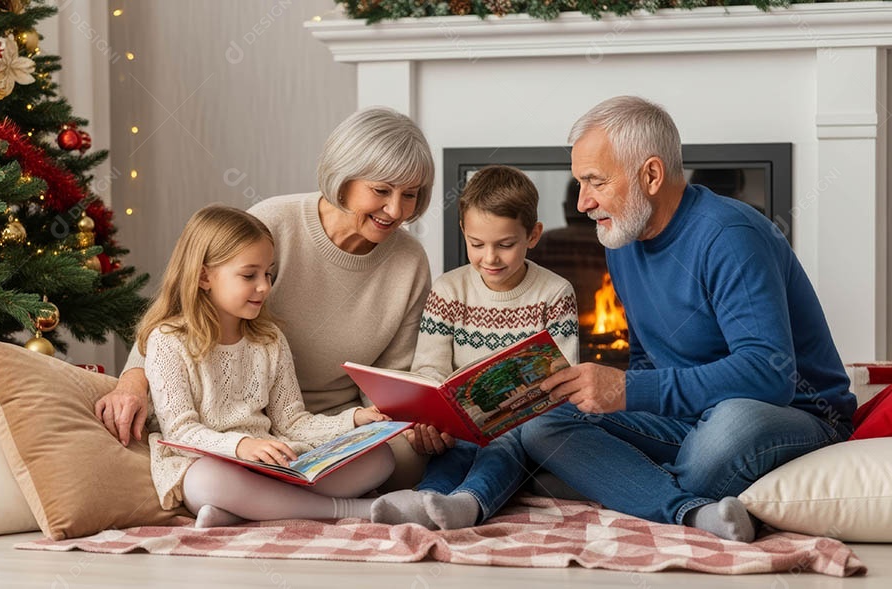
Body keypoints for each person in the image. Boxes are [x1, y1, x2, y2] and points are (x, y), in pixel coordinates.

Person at [520, 96, 856, 542]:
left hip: (792, 413)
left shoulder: (729, 235)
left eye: (595, 181)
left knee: (728, 430)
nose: (582, 203)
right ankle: (691, 511)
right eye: (579, 183)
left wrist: (626, 391)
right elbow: (645, 357)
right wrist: (618, 396)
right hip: (689, 420)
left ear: (651, 175)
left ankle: (626, 483)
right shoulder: (621, 239)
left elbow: (769, 373)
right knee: (542, 422)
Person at [96, 107, 437, 490]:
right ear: (344, 178)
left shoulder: (410, 261)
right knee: (216, 476)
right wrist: (131, 382)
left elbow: (389, 379)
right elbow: (182, 312)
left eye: (409, 195)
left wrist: (402, 422)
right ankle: (323, 504)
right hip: (235, 419)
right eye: (380, 191)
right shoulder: (274, 223)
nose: (395, 210)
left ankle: (283, 498)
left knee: (403, 460)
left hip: (329, 425)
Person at [138, 205, 394, 528]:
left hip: (273, 465)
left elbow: (292, 421)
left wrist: (352, 421)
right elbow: (181, 432)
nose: (264, 286)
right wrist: (241, 446)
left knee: (380, 457)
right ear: (204, 276)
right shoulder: (168, 341)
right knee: (206, 482)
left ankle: (239, 513)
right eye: (249, 275)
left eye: (268, 273)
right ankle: (347, 509)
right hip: (208, 463)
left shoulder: (269, 339)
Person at [370, 165, 579, 529]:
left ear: (533, 235)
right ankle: (426, 500)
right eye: (477, 244)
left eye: (505, 245)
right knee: (457, 450)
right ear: (464, 233)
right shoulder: (449, 290)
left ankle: (469, 503)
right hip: (462, 428)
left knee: (503, 447)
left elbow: (562, 380)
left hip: (525, 428)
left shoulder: (555, 293)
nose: (490, 258)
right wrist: (434, 412)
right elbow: (430, 368)